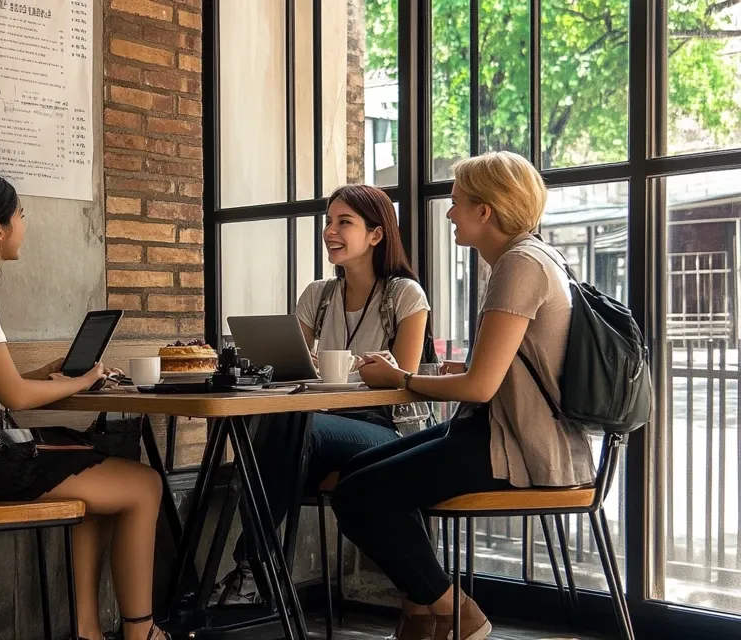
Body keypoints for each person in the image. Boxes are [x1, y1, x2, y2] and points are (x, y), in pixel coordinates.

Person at [333, 151, 596, 640]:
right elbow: (503, 369)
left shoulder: (519, 265)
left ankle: (456, 612)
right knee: (356, 475)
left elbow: (479, 387)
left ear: (486, 211)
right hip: (498, 431)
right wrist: (452, 370)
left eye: (456, 204)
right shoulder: (537, 257)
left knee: (357, 496)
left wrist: (402, 379)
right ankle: (420, 610)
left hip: (519, 447)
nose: (450, 213)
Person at [0, 169, 166, 640]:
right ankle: (142, 632)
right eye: (21, 216)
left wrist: (47, 374)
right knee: (144, 484)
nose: (25, 226)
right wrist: (87, 378)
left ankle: (87, 633)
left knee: (90, 476)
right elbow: (14, 399)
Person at [212, 184, 431, 604]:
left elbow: (402, 379)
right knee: (286, 429)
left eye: (343, 222)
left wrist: (349, 370)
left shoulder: (404, 294)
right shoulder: (318, 295)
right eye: (328, 221)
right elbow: (288, 366)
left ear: (376, 234)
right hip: (319, 422)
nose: (330, 230)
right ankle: (256, 571)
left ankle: (251, 567)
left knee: (291, 430)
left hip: (387, 431)